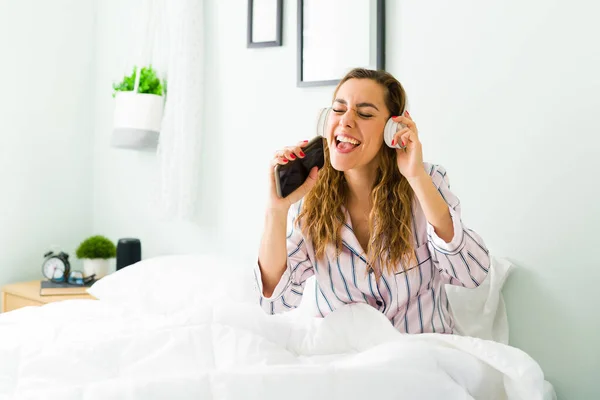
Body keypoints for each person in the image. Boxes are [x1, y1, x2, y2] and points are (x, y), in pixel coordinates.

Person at [254, 68, 490, 334]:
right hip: (344, 360)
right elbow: (274, 301)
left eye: (365, 113)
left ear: (392, 130)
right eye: (338, 109)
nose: (346, 121)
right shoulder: (310, 197)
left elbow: (472, 274)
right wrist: (276, 209)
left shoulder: (426, 181)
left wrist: (416, 176)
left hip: (422, 358)